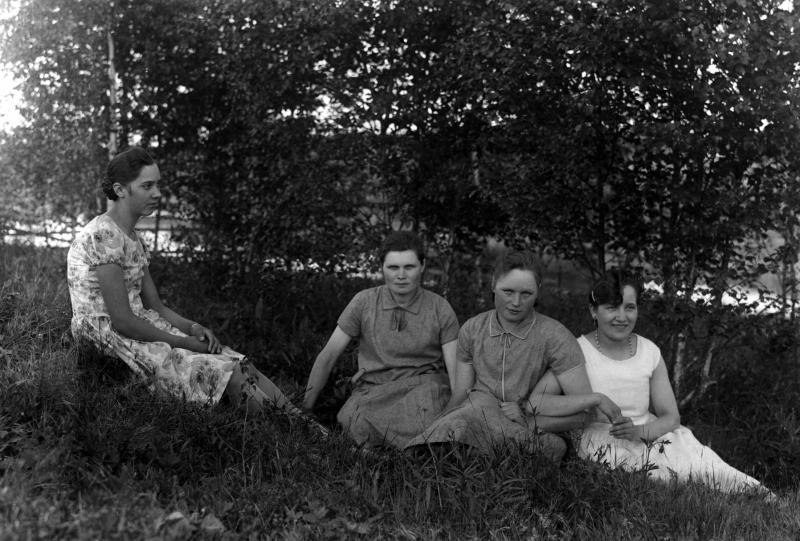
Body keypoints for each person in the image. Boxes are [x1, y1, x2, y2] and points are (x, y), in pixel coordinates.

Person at [67, 146, 304, 416]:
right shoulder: (103, 235)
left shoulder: (132, 238)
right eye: (147, 186)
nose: (158, 193)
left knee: (240, 364)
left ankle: (307, 427)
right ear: (121, 190)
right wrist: (181, 343)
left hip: (138, 325)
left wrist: (193, 328)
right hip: (112, 337)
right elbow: (122, 320)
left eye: (157, 185)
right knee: (229, 374)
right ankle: (285, 431)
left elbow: (155, 305)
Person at [535, 271, 766, 492]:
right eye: (611, 308)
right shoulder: (576, 350)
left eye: (629, 307)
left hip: (647, 432)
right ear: (593, 311)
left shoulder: (649, 352)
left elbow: (671, 417)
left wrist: (640, 432)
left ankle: (761, 497)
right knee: (654, 480)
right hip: (601, 439)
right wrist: (593, 400)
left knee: (709, 470)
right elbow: (536, 402)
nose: (621, 317)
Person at [405, 250, 623, 461]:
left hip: (525, 426)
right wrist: (439, 423)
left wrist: (528, 419)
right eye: (507, 292)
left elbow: (584, 414)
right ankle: (443, 449)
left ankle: (456, 452)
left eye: (526, 294)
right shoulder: (472, 329)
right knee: (471, 411)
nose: (516, 302)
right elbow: (461, 393)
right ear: (493, 285)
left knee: (552, 446)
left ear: (538, 291)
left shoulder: (556, 336)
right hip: (477, 411)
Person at [302, 231, 459, 449]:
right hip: (374, 390)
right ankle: (405, 448)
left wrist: (454, 411)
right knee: (351, 418)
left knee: (427, 411)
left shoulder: (440, 308)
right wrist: (305, 408)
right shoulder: (364, 302)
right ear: (382, 268)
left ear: (422, 266)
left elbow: (456, 370)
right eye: (393, 267)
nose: (401, 275)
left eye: (409, 267)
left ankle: (413, 448)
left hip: (423, 388)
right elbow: (328, 356)